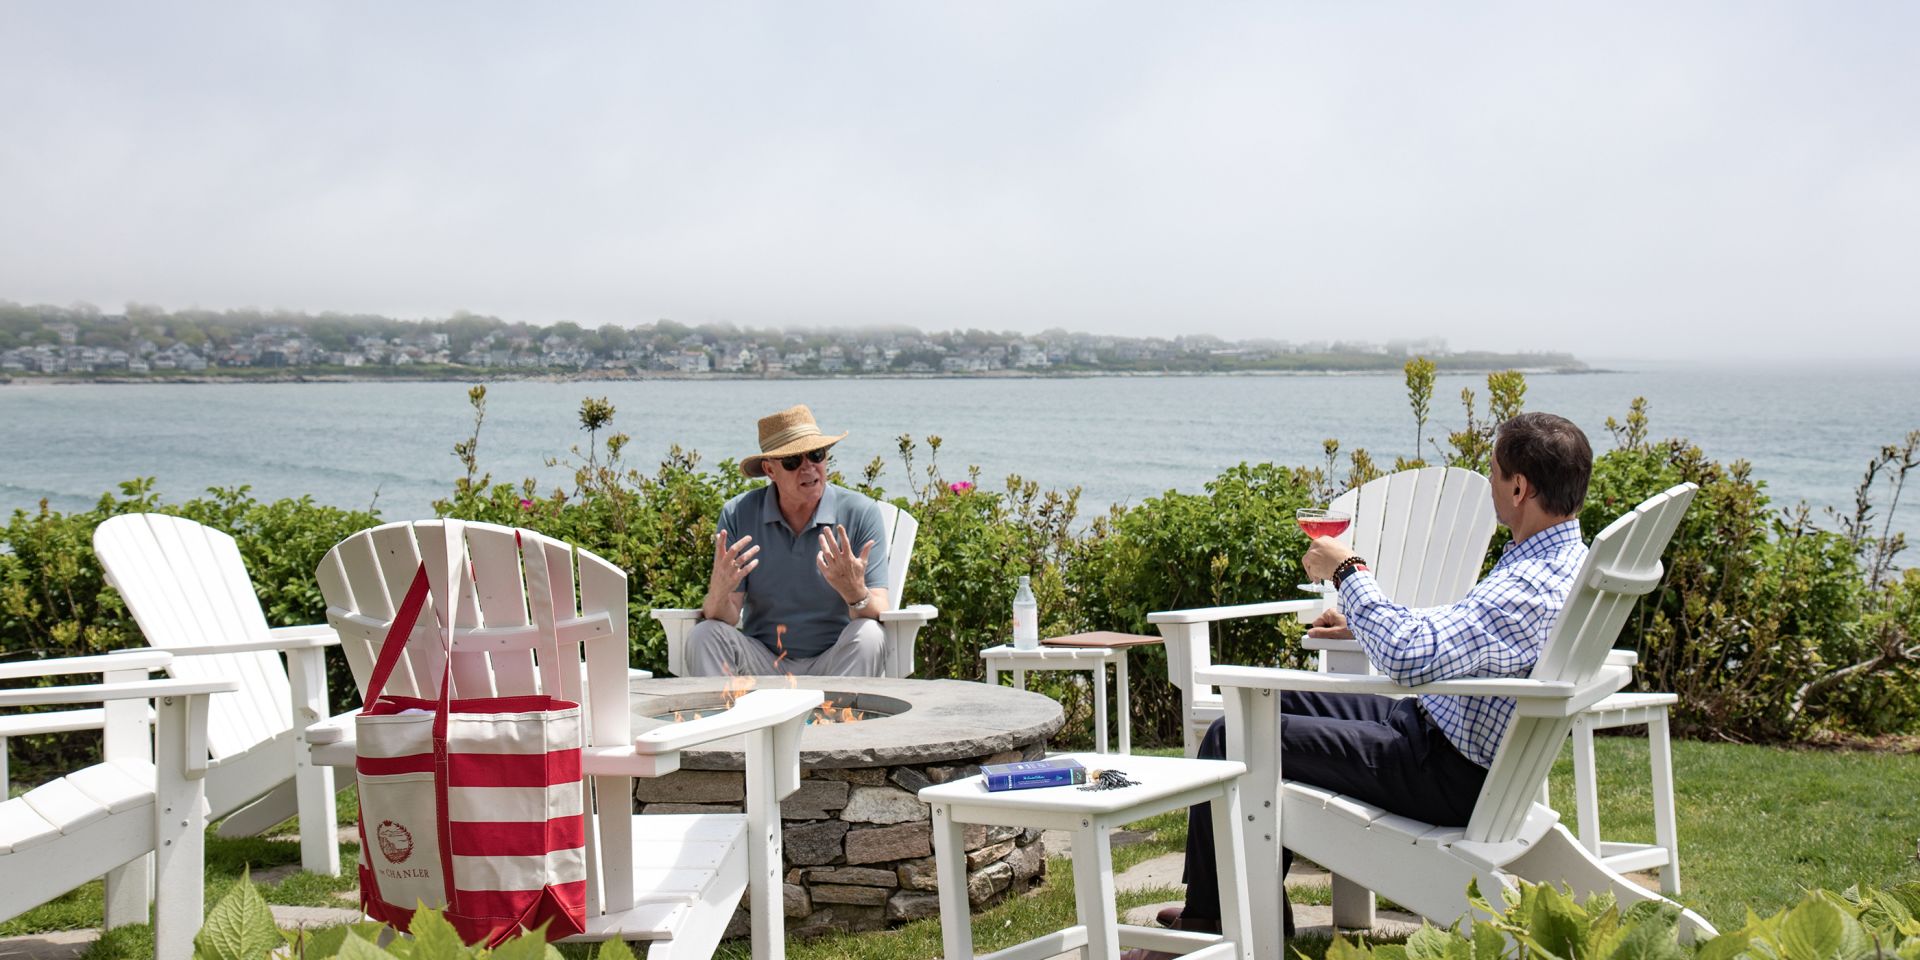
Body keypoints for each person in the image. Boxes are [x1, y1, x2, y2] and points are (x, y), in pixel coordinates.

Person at [1128, 412, 1595, 958]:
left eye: (1493, 473)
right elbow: (1468, 636)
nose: (1490, 483)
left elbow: (1407, 657)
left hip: (1443, 770)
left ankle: (1210, 925)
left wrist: (1348, 570)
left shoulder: (1527, 583)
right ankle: (1227, 909)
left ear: (1519, 487)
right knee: (1270, 705)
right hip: (1437, 732)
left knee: (1236, 734)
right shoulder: (1561, 563)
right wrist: (1362, 622)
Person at [685, 404, 893, 677]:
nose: (808, 468)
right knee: (705, 635)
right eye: (793, 461)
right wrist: (718, 592)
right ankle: (729, 720)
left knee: (869, 635)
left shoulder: (860, 513)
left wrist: (855, 592)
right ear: (770, 471)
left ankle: (842, 721)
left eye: (816, 455)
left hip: (835, 660)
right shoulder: (739, 514)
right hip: (763, 662)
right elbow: (728, 614)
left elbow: (880, 607)